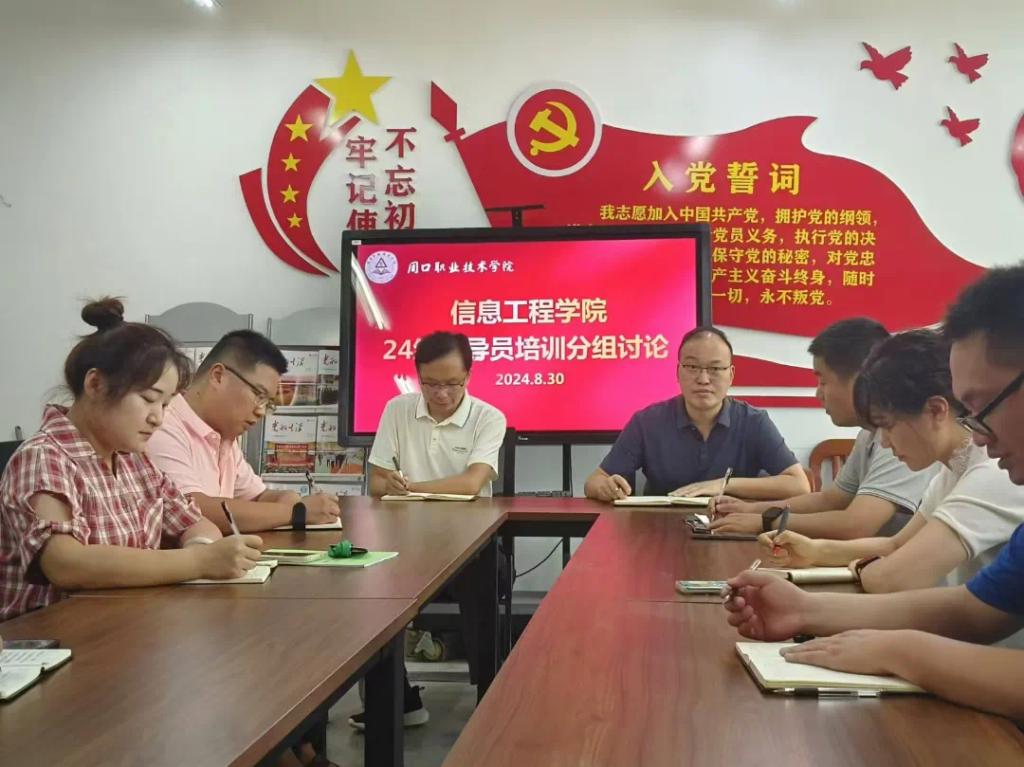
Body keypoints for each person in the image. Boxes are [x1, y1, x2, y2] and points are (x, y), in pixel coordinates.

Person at [724, 265, 1024, 720]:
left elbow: (896, 571)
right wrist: (804, 608)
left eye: (980, 408)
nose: (977, 435)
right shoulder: (963, 470)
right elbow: (975, 610)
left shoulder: (992, 475)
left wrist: (900, 650)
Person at [0, 299, 263, 622]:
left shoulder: (135, 461)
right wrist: (198, 562)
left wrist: (202, 546)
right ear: (95, 384)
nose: (157, 418)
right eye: (148, 399)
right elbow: (65, 564)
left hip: (123, 627)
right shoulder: (44, 457)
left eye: (165, 405)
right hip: (51, 638)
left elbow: (192, 520)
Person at [760, 329, 1024, 594]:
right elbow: (895, 545)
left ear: (936, 410)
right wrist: (815, 550)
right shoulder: (953, 470)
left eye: (887, 425)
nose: (885, 443)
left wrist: (865, 568)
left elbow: (894, 578)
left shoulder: (991, 472)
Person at [354, 331, 507, 730]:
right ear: (417, 376)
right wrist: (392, 484)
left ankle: (490, 698)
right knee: (365, 585)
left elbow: (471, 484)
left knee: (485, 579)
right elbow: (377, 483)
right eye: (431, 384)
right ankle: (397, 700)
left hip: (468, 545)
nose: (441, 394)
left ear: (468, 375)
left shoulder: (488, 417)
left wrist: (410, 487)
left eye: (452, 383)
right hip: (405, 542)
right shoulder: (397, 409)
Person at [712, 318, 936, 537]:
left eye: (823, 382)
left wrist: (766, 521)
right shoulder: (869, 435)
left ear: (860, 380)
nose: (818, 393)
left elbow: (855, 524)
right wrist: (749, 509)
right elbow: (831, 500)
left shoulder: (902, 439)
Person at [584, 326, 808, 503]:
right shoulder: (647, 422)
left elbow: (799, 485)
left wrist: (722, 485)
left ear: (731, 375)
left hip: (731, 529)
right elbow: (594, 481)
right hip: (660, 532)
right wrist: (606, 488)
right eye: (692, 367)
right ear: (678, 372)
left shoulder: (753, 422)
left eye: (715, 369)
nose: (703, 379)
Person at [148, 330, 340, 532]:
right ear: (218, 376)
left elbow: (258, 496)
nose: (261, 412)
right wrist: (296, 513)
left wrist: (286, 498)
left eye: (268, 404)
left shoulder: (223, 435)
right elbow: (190, 510)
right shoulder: (163, 424)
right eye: (259, 395)